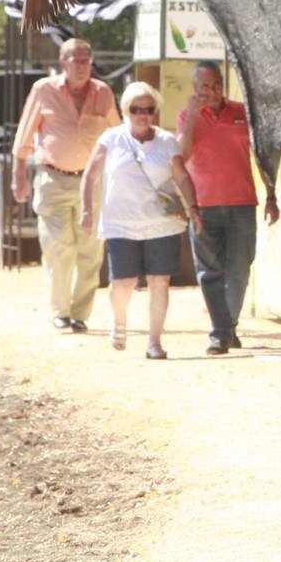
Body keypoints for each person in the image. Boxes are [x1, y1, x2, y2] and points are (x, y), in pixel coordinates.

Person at [79, 82, 202, 360]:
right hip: (121, 222)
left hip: (161, 223)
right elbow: (90, 175)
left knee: (160, 281)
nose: (142, 114)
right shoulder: (111, 139)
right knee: (123, 282)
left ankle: (155, 342)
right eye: (136, 109)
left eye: (148, 109)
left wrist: (194, 208)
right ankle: (119, 323)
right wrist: (86, 210)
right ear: (125, 111)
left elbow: (182, 177)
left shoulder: (167, 141)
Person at [11, 38, 122, 333]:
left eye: (87, 60)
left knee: (91, 251)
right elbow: (24, 137)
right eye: (77, 60)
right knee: (58, 246)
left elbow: (118, 135)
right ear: (63, 63)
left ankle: (79, 313)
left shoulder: (102, 92)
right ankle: (59, 310)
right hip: (53, 178)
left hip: (92, 181)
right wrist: (18, 175)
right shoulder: (44, 90)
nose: (83, 66)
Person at [176, 62, 279, 355]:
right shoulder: (187, 116)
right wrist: (194, 115)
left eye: (216, 85)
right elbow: (181, 156)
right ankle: (222, 333)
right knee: (210, 271)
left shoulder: (242, 112)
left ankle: (226, 326)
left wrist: (271, 196)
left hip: (242, 203)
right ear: (196, 89)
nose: (212, 91)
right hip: (204, 204)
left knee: (240, 269)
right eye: (205, 86)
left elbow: (261, 156)